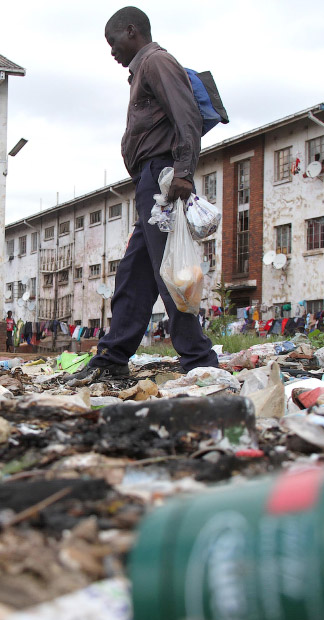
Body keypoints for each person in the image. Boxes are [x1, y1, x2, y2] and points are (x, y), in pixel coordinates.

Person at [68, 7, 218, 383]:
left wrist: (183, 171)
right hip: (151, 182)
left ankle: (199, 362)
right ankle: (112, 356)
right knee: (134, 274)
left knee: (172, 273)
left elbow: (187, 117)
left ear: (131, 31)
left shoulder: (156, 62)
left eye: (113, 41)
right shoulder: (144, 69)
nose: (112, 51)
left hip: (165, 178)